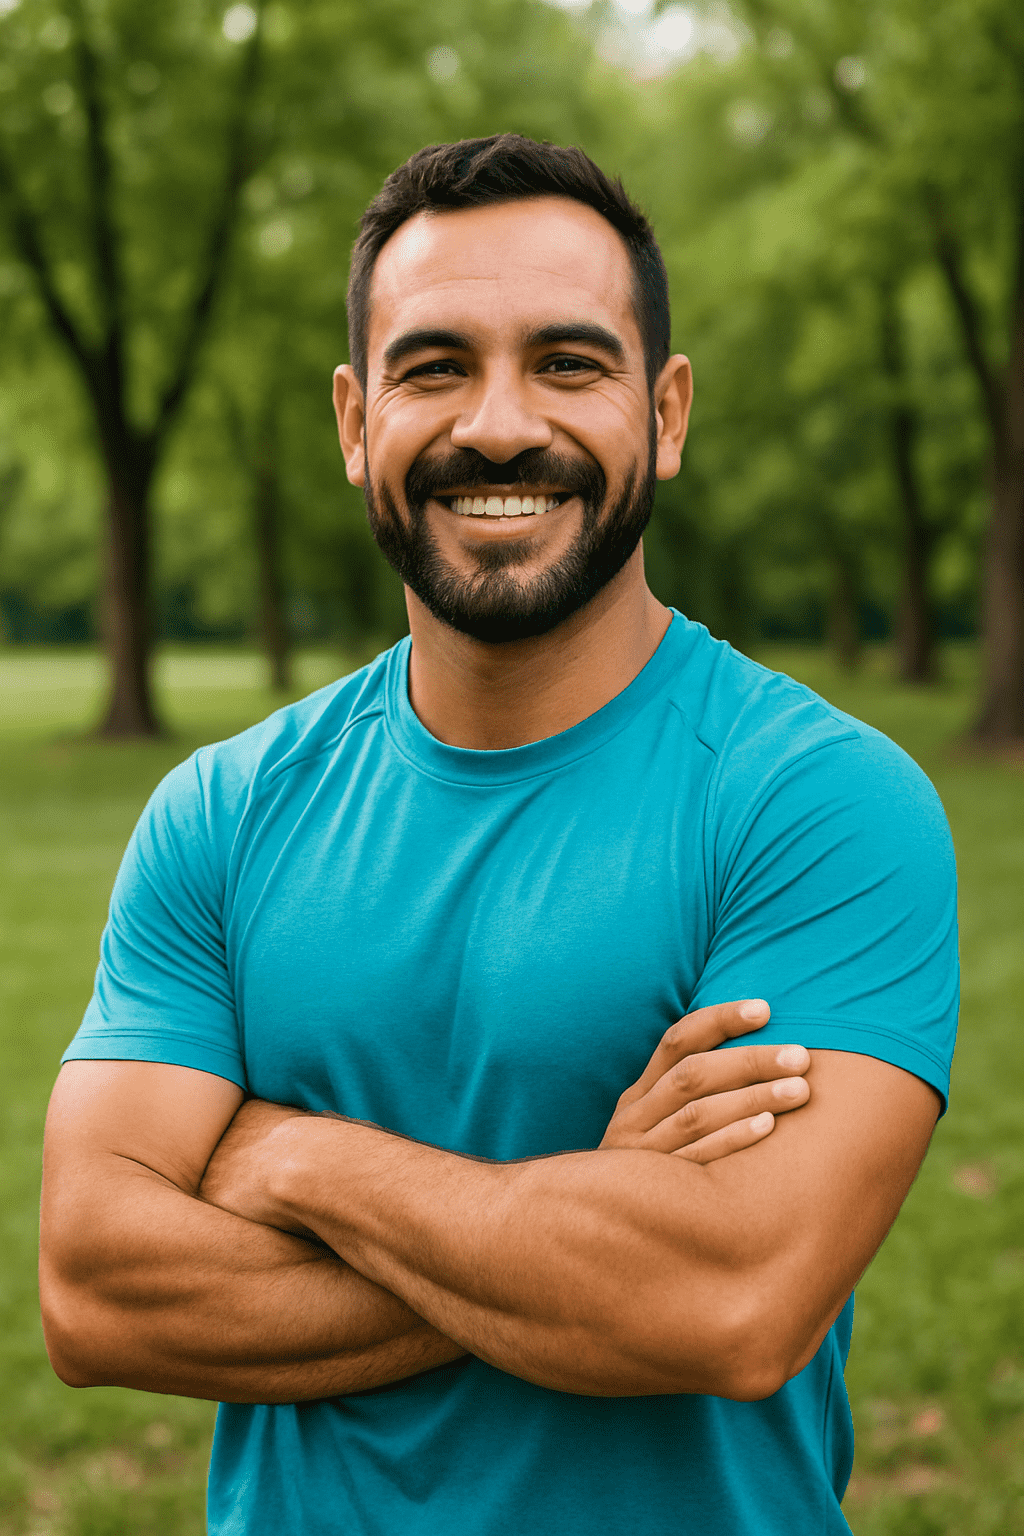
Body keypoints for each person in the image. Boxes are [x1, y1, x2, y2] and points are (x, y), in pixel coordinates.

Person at [40, 135, 958, 1536]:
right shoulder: (222, 815)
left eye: (571, 365)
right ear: (356, 423)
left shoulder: (815, 803)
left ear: (667, 412)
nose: (500, 425)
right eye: (434, 367)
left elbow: (726, 1302)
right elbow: (96, 1291)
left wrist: (295, 1161)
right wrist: (586, 1229)